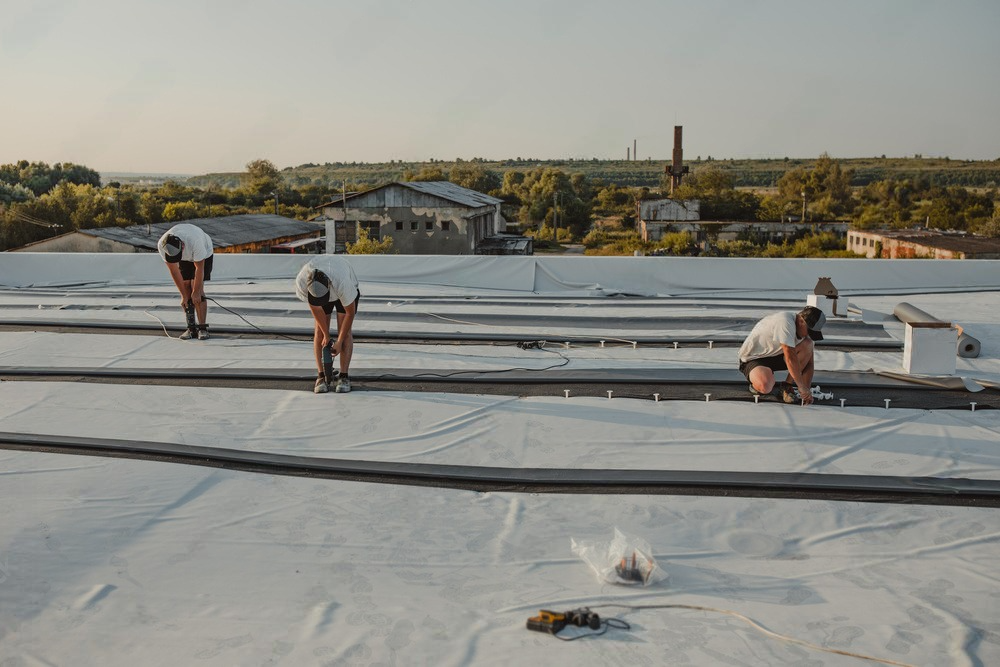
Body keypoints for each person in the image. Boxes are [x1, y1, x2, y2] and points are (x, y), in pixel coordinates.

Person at [295, 256, 360, 394]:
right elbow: (315, 307)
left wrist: (339, 341)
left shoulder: (342, 282)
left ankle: (344, 376)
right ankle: (321, 376)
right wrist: (326, 336)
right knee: (319, 332)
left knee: (345, 331)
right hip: (324, 290)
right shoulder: (302, 281)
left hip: (342, 292)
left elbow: (350, 313)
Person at [738, 305, 826, 406]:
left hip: (777, 354)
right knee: (765, 386)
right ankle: (755, 383)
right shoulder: (785, 321)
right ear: (801, 321)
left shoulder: (806, 335)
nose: (808, 335)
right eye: (809, 331)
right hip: (754, 358)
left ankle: (786, 386)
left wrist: (806, 390)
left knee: (808, 344)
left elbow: (809, 364)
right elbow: (790, 356)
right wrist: (800, 386)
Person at [157, 223, 214, 340]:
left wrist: (197, 291)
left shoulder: (195, 241)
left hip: (204, 253)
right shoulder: (162, 245)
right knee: (186, 287)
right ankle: (191, 328)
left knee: (196, 289)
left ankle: (202, 328)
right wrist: (183, 296)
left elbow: (199, 269)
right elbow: (174, 271)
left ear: (182, 246)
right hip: (184, 255)